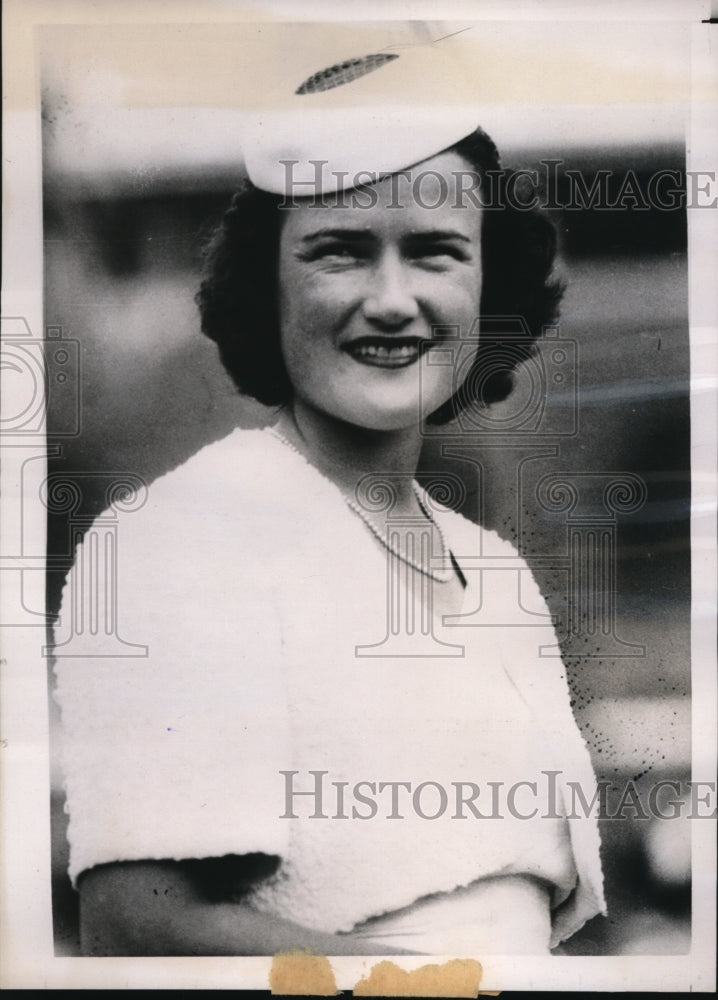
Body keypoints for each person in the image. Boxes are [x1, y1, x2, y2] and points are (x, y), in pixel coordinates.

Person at [53, 37, 605, 957]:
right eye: (340, 253)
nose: (392, 302)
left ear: (490, 285)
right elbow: (140, 928)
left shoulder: (496, 571)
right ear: (266, 287)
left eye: (435, 252)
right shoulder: (181, 540)